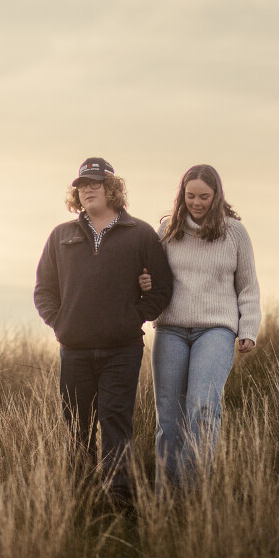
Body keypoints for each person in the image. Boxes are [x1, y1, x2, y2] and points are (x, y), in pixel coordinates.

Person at [34, 157, 173, 509]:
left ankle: (118, 501)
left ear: (112, 188)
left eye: (95, 183)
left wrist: (132, 319)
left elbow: (161, 289)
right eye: (82, 185)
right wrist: (61, 323)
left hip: (122, 350)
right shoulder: (61, 236)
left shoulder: (140, 233)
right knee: (77, 427)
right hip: (75, 351)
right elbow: (44, 291)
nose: (87, 190)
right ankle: (81, 500)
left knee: (115, 423)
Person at [138, 163, 261, 489]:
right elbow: (153, 278)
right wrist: (145, 283)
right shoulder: (167, 230)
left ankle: (193, 493)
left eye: (204, 196)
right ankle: (167, 498)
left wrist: (248, 329)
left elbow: (248, 286)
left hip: (216, 330)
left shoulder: (235, 232)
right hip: (171, 329)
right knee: (168, 417)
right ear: (182, 194)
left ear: (216, 195)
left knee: (203, 407)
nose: (196, 202)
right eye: (190, 195)